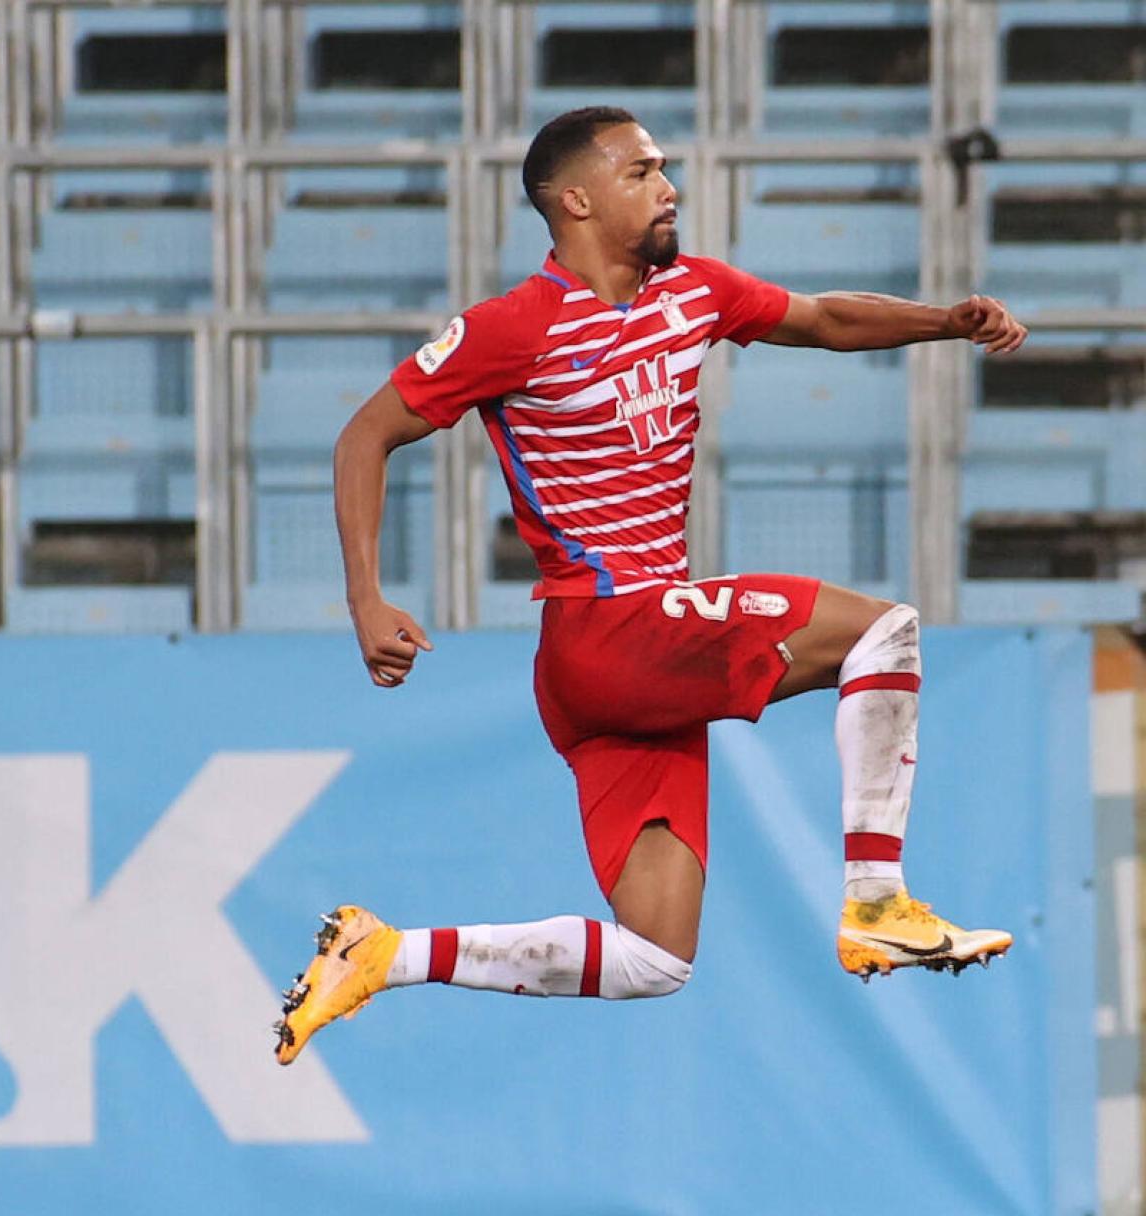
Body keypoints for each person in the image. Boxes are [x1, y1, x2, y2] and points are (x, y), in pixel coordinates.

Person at [274, 107, 1027, 1065]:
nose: (668, 186)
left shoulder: (697, 292)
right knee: (886, 633)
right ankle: (878, 902)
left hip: (619, 667)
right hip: (610, 622)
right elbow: (363, 435)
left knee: (653, 958)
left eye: (664, 169)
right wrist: (365, 601)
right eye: (642, 172)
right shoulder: (512, 329)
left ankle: (386, 954)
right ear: (577, 199)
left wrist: (943, 322)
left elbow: (826, 317)